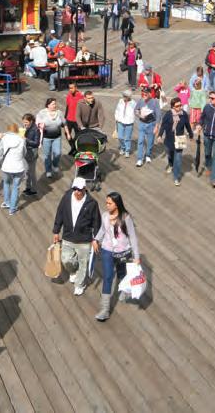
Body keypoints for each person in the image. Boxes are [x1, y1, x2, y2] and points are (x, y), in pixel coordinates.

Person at [92, 192, 140, 321]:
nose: (107, 205)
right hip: (107, 250)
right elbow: (102, 230)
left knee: (121, 273)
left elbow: (132, 237)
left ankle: (124, 290)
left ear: (116, 204)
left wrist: (136, 256)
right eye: (106, 203)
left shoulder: (126, 218)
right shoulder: (105, 216)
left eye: (109, 203)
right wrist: (96, 239)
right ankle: (105, 309)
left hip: (122, 252)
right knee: (107, 277)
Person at [52, 176, 101, 296]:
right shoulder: (66, 197)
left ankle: (80, 285)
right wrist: (56, 231)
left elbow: (97, 222)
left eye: (80, 189)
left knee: (83, 264)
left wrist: (96, 239)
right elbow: (60, 213)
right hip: (68, 236)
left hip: (84, 240)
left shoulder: (92, 203)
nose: (77, 192)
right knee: (66, 260)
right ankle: (73, 271)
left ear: (85, 188)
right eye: (75, 189)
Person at [159, 97, 193, 186]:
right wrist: (160, 135)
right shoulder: (168, 114)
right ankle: (171, 164)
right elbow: (163, 126)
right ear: (173, 107)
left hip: (180, 138)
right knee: (170, 154)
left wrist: (191, 134)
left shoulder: (184, 114)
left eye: (180, 105)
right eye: (177, 106)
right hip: (169, 139)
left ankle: (176, 177)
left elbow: (187, 125)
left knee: (178, 160)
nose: (180, 107)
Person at [0, 123, 27, 215]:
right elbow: (24, 153)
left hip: (6, 167)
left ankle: (7, 202)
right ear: (17, 130)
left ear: (8, 130)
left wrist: (1, 159)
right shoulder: (21, 139)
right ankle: (12, 209)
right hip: (18, 167)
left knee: (6, 183)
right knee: (15, 187)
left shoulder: (4, 139)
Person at [37, 98, 69, 178]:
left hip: (57, 137)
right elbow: (37, 122)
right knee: (47, 155)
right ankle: (48, 170)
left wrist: (68, 133)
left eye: (55, 104)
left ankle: (55, 165)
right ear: (48, 105)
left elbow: (64, 123)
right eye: (53, 104)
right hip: (46, 138)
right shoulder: (42, 113)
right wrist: (40, 125)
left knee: (57, 153)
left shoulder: (59, 113)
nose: (55, 105)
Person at [134, 87, 161, 167]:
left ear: (150, 93)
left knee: (150, 142)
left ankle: (148, 155)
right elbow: (135, 110)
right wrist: (139, 115)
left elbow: (158, 115)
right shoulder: (141, 100)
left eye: (146, 93)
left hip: (151, 124)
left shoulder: (155, 102)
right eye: (143, 93)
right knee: (140, 141)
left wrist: (156, 126)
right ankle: (139, 159)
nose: (144, 94)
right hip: (142, 123)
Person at [22, 113, 41, 196]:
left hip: (33, 153)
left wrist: (26, 139)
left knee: (32, 172)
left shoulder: (36, 130)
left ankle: (34, 190)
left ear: (31, 121)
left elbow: (36, 143)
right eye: (23, 122)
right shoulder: (25, 128)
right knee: (26, 171)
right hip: (26, 152)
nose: (24, 123)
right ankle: (28, 187)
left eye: (26, 122)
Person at [114, 89, 136, 158]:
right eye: (123, 96)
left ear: (129, 97)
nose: (124, 97)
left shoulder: (133, 103)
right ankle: (123, 147)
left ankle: (127, 150)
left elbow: (136, 112)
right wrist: (116, 118)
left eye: (125, 96)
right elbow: (117, 110)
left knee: (127, 138)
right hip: (120, 121)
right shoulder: (120, 101)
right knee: (120, 137)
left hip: (129, 122)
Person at [64, 83, 84, 155]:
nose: (70, 90)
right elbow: (67, 106)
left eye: (72, 88)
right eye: (69, 88)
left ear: (76, 88)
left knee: (77, 136)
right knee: (66, 134)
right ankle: (73, 147)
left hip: (77, 120)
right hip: (69, 119)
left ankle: (76, 149)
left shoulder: (81, 96)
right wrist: (65, 117)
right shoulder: (69, 95)